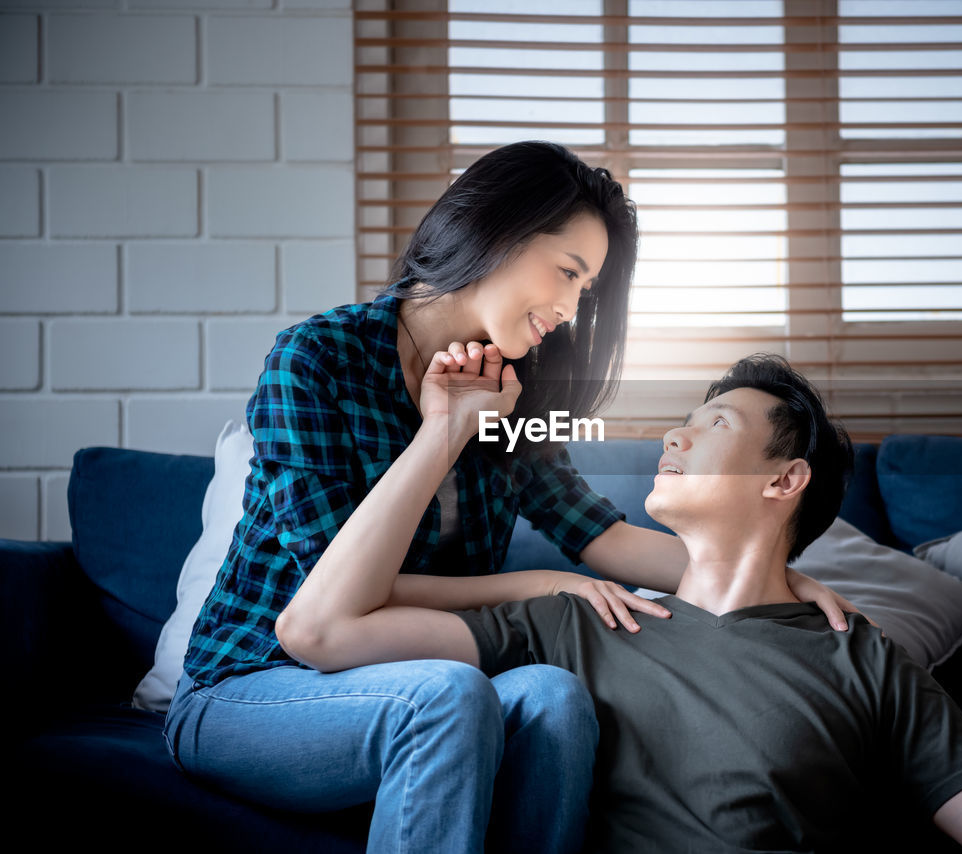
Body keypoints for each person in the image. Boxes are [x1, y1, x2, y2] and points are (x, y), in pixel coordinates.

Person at [163, 141, 856, 854]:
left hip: (415, 680)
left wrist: (771, 579)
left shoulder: (517, 389)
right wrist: (452, 439)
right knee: (449, 694)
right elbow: (338, 598)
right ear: (495, 231)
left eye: (585, 290)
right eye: (566, 273)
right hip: (257, 684)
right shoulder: (317, 360)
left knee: (555, 697)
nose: (568, 308)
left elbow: (604, 539)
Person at [278, 352, 962, 853]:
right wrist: (526, 563)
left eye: (711, 426)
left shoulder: (861, 654)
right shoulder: (576, 621)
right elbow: (326, 628)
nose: (672, 438)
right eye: (680, 423)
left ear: (783, 480)